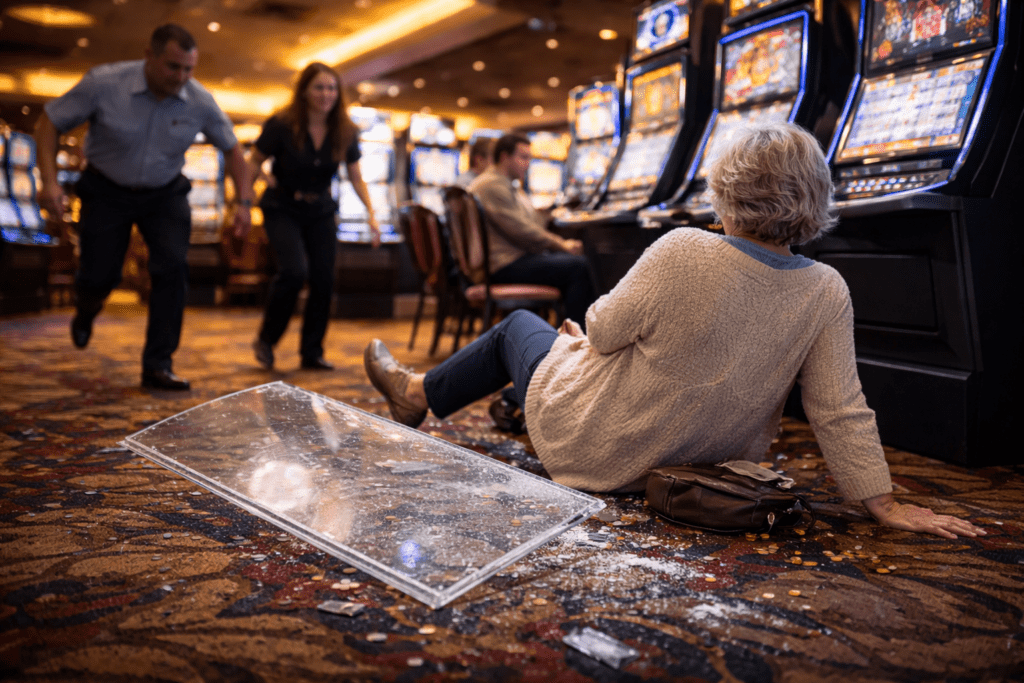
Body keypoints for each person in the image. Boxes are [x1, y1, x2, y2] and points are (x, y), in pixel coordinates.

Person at [363, 122, 985, 540]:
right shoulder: (827, 287)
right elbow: (838, 406)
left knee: (519, 328)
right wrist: (882, 501)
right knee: (566, 343)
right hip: (705, 466)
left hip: (598, 449)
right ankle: (477, 395)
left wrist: (583, 338)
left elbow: (604, 332)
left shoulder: (683, 248)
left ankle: (417, 393)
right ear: (815, 197)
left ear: (725, 188)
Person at [35, 24, 254, 391]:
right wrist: (49, 182)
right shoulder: (105, 83)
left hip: (164, 193)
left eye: (189, 69)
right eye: (173, 67)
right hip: (106, 188)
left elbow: (233, 149)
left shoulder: (199, 100)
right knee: (100, 273)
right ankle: (87, 306)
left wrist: (244, 203)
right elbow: (49, 122)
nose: (181, 77)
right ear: (149, 56)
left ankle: (158, 364)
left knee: (172, 267)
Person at [248, 62, 379, 371]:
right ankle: (267, 339)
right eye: (319, 87)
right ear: (304, 91)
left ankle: (312, 351)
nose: (326, 94)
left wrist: (371, 214)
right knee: (294, 271)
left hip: (320, 209)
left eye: (331, 88)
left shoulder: (345, 130)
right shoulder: (281, 124)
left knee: (323, 278)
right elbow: (252, 163)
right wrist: (245, 199)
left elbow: (356, 177)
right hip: (282, 207)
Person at [467, 132, 596, 325]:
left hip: (507, 261)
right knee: (578, 267)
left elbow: (531, 222)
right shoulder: (491, 185)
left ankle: (562, 336)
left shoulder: (507, 185)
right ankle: (578, 344)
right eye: (523, 157)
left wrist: (553, 212)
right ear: (504, 157)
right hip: (502, 266)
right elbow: (522, 231)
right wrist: (562, 244)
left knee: (569, 263)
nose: (528, 163)